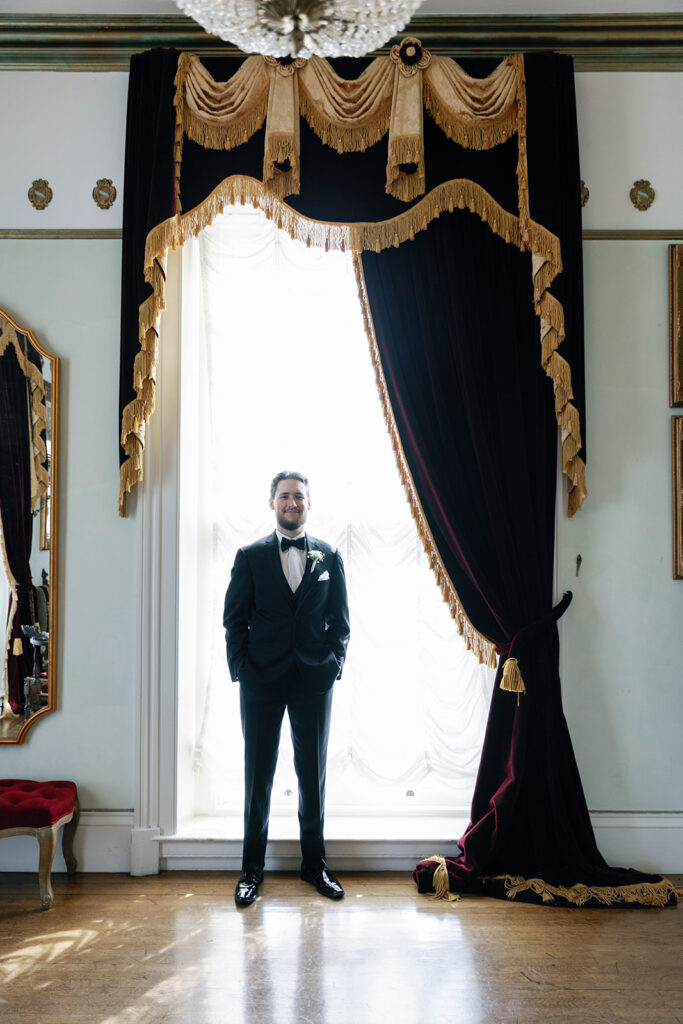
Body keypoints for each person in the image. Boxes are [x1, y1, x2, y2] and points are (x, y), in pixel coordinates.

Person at [223, 471, 351, 907]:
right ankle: (250, 872)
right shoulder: (249, 556)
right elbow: (234, 620)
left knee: (312, 776)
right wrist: (242, 669)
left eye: (299, 496)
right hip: (261, 680)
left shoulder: (329, 556)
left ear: (309, 504)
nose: (292, 502)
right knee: (257, 776)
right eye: (284, 496)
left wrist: (334, 664)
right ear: (272, 503)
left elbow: (342, 621)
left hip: (314, 680)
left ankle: (315, 866)